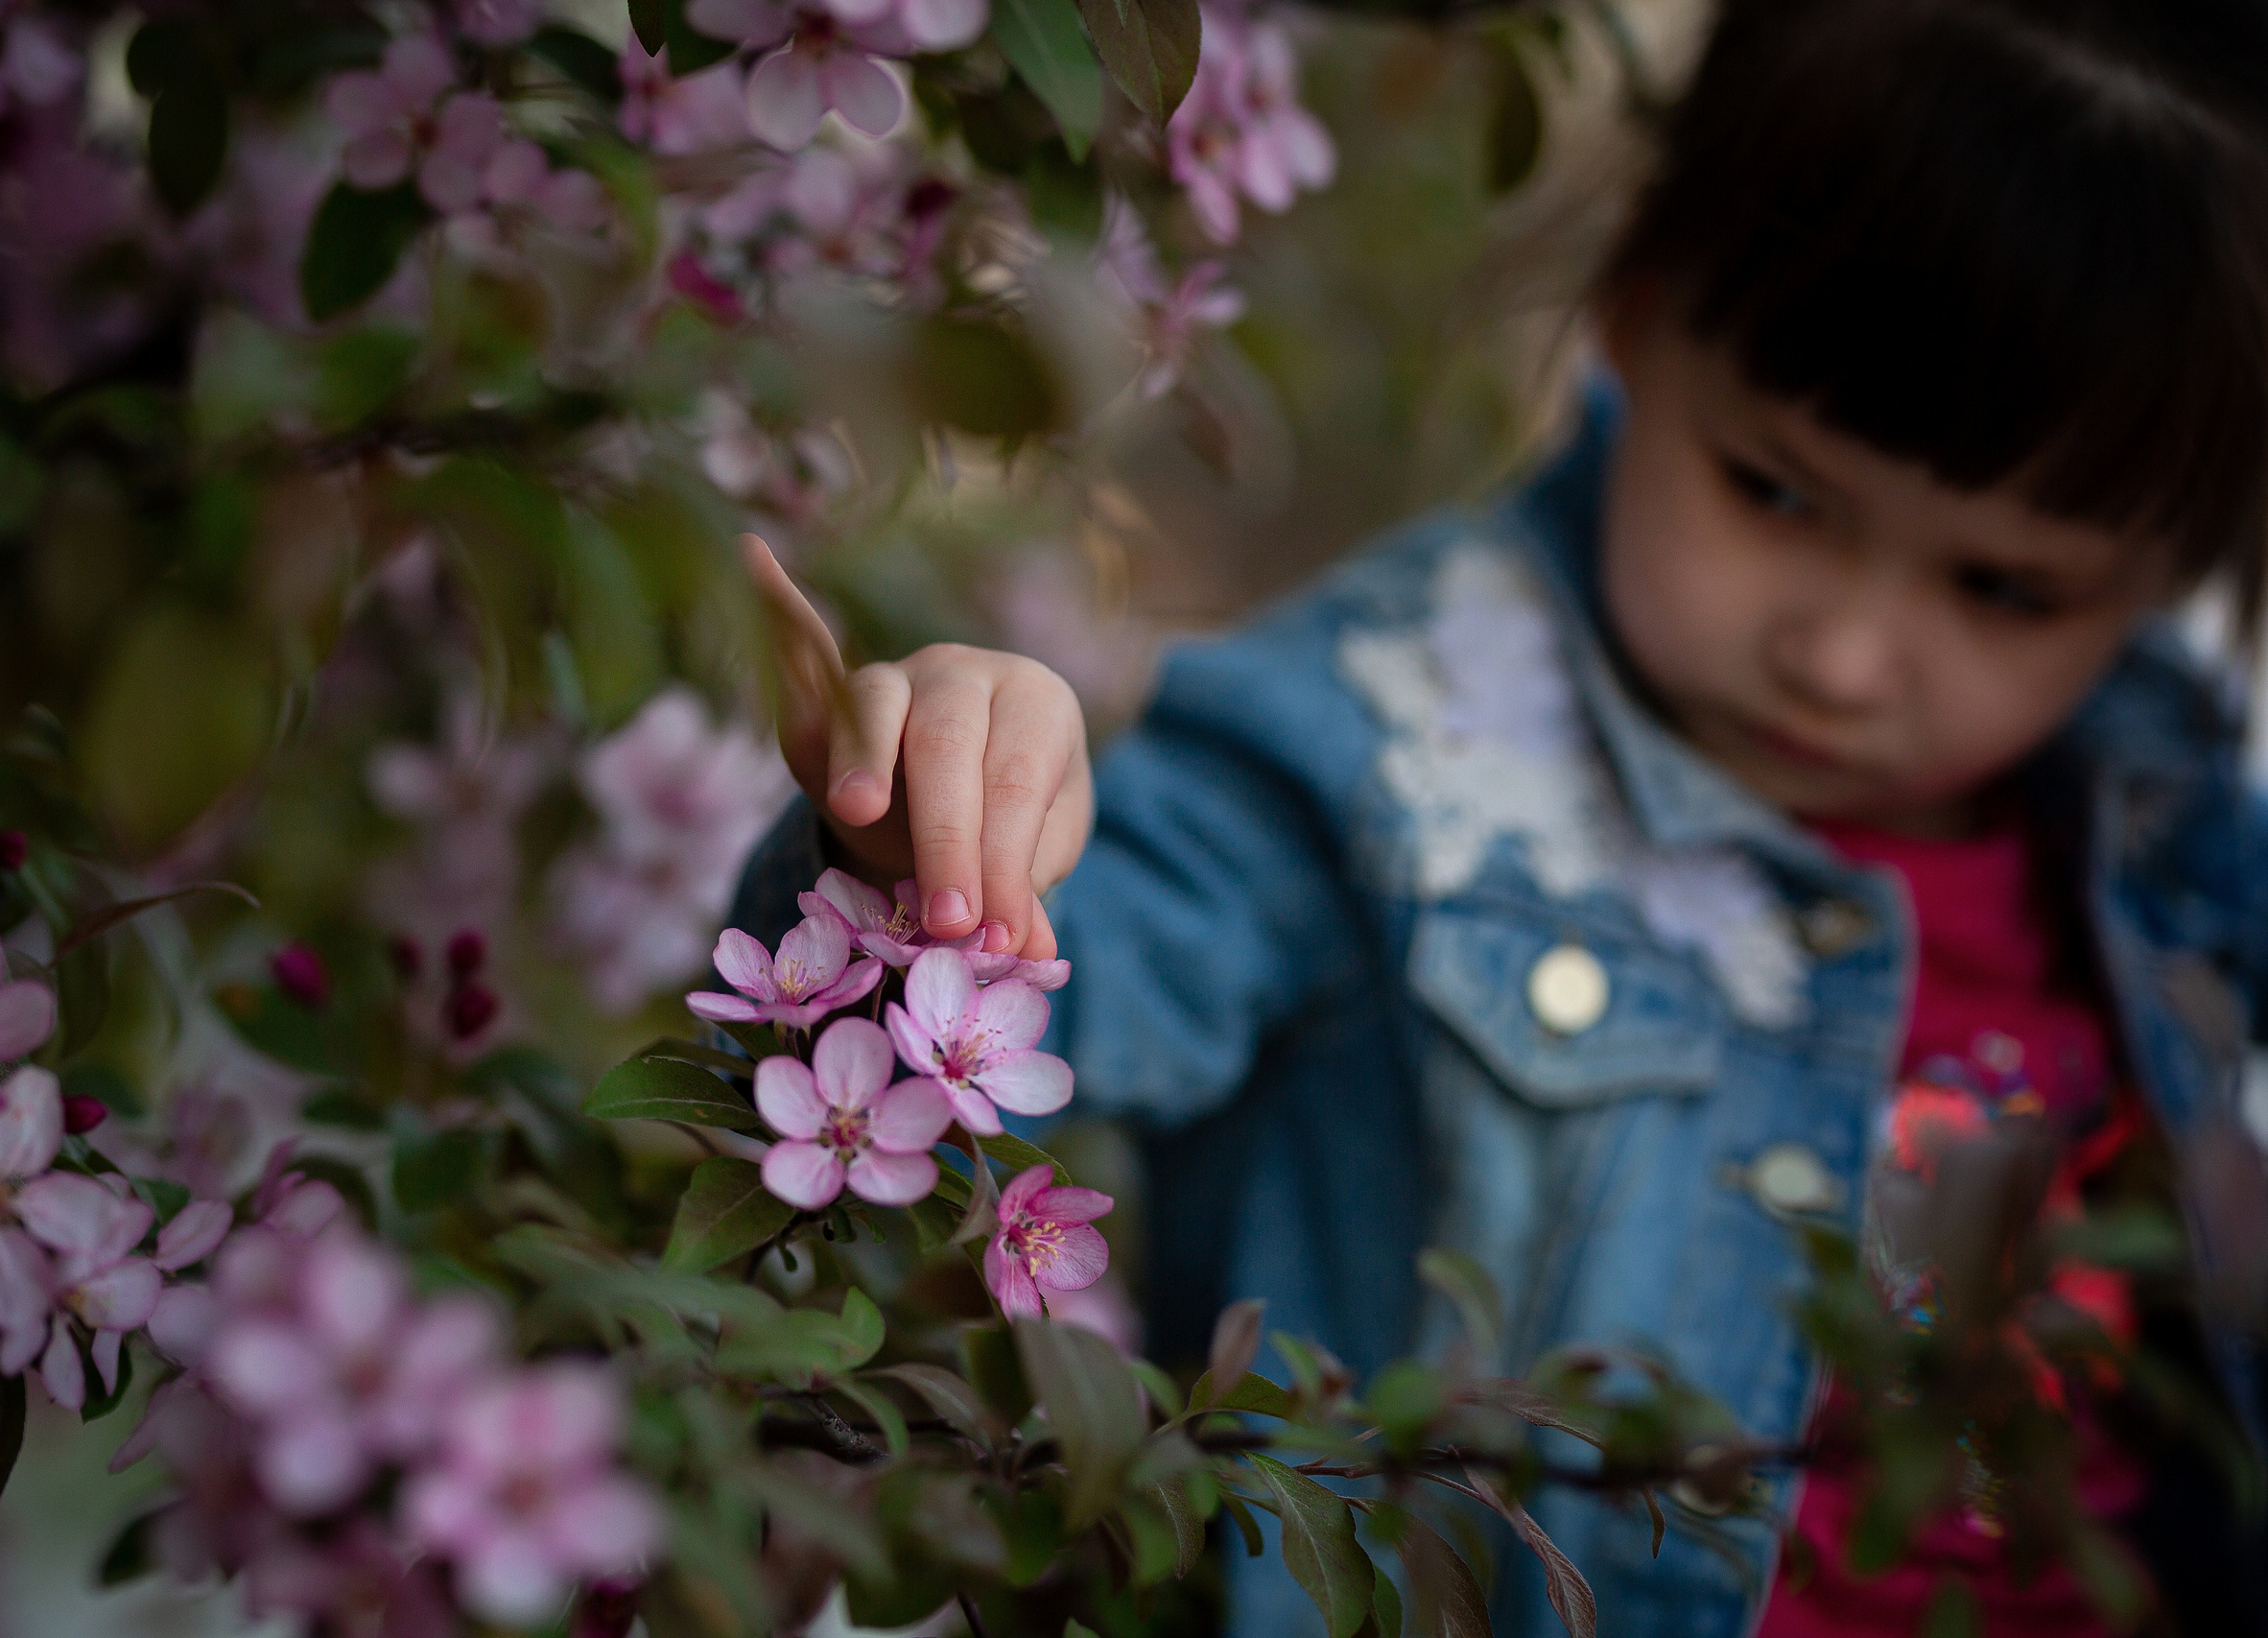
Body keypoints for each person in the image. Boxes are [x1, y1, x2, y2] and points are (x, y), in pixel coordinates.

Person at [731, 0, 2268, 1630]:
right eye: (1777, 490)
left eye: (2007, 587)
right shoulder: (1387, 750)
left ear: (2172, 561)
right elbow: (1059, 975)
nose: (1843, 653)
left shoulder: (2158, 821)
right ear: (1637, 307)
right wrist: (925, 843)